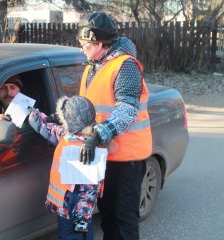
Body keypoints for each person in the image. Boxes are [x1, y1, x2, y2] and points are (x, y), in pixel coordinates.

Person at [76, 12, 152, 240]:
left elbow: (127, 109)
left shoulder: (125, 66)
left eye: (85, 45)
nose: (82, 49)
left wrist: (98, 134)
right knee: (108, 216)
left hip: (126, 159)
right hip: (103, 156)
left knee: (123, 220)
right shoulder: (94, 66)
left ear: (98, 43)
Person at [28, 96, 105, 240]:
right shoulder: (91, 143)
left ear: (67, 121)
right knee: (84, 235)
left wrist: (31, 112)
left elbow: (41, 125)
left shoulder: (71, 142)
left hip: (70, 210)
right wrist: (83, 218)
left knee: (70, 236)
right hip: (80, 211)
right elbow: (90, 190)